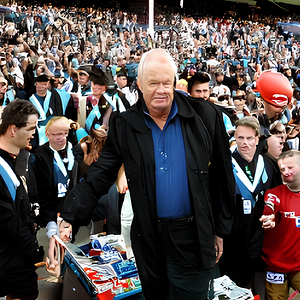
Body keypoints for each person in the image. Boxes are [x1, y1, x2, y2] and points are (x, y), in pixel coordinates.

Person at [61, 48, 235, 300]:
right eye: (153, 83)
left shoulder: (205, 116)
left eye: (167, 83)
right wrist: (69, 216)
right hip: (148, 236)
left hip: (193, 236)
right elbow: (101, 174)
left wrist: (219, 230)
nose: (161, 90)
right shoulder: (125, 124)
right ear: (139, 84)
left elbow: (222, 175)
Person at [220, 116, 280, 299]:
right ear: (234, 138)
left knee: (261, 284)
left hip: (261, 234)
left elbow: (278, 196)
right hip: (233, 238)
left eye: (249, 138)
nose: (244, 143)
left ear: (257, 139)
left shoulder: (268, 164)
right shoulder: (225, 165)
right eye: (240, 138)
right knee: (236, 287)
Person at [0, 99, 44, 300]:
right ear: (13, 129)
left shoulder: (15, 158)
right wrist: (35, 251)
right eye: (30, 128)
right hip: (9, 256)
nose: (34, 134)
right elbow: (7, 221)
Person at [260, 150, 300, 300]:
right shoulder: (274, 193)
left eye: (290, 167)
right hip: (275, 265)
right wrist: (268, 216)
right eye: (282, 169)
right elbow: (269, 206)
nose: (286, 172)